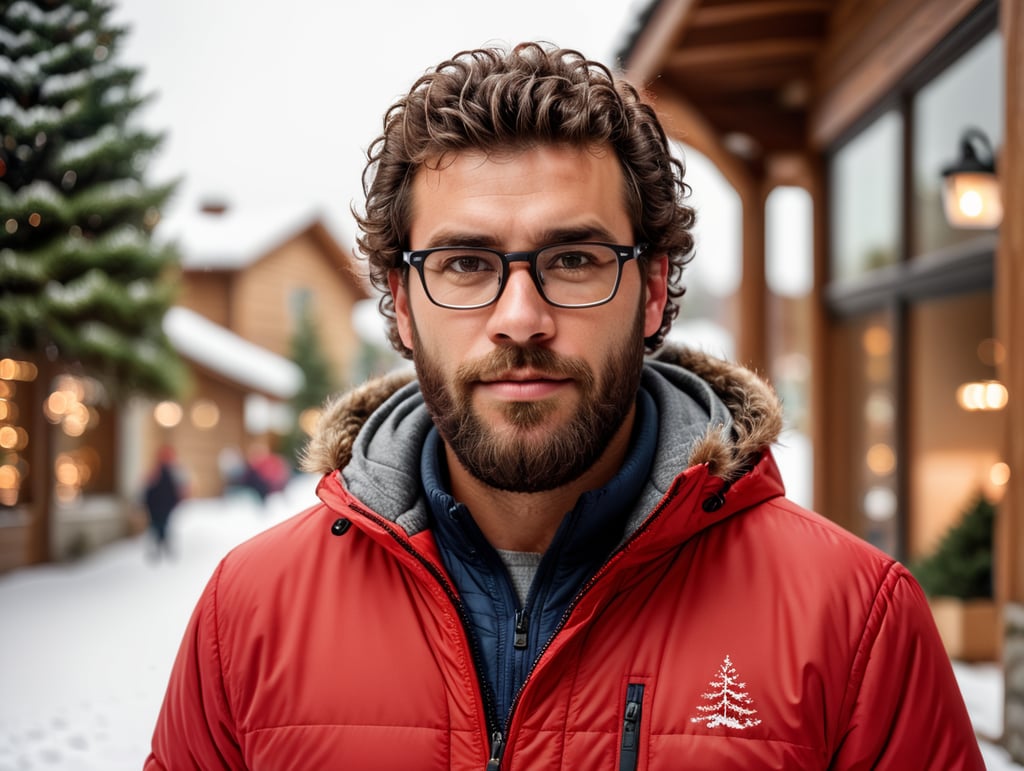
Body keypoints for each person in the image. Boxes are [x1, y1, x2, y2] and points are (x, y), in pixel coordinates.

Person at [146, 43, 984, 769]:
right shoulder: (248, 613)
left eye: (575, 258)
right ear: (401, 302)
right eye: (466, 264)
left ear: (652, 290)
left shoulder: (854, 620)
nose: (520, 319)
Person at [142, 444, 185, 560]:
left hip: (166, 505)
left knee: (163, 526)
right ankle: (159, 547)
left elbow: (180, 489)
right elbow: (148, 488)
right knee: (158, 526)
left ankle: (162, 547)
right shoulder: (156, 471)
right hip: (156, 505)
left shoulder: (174, 471)